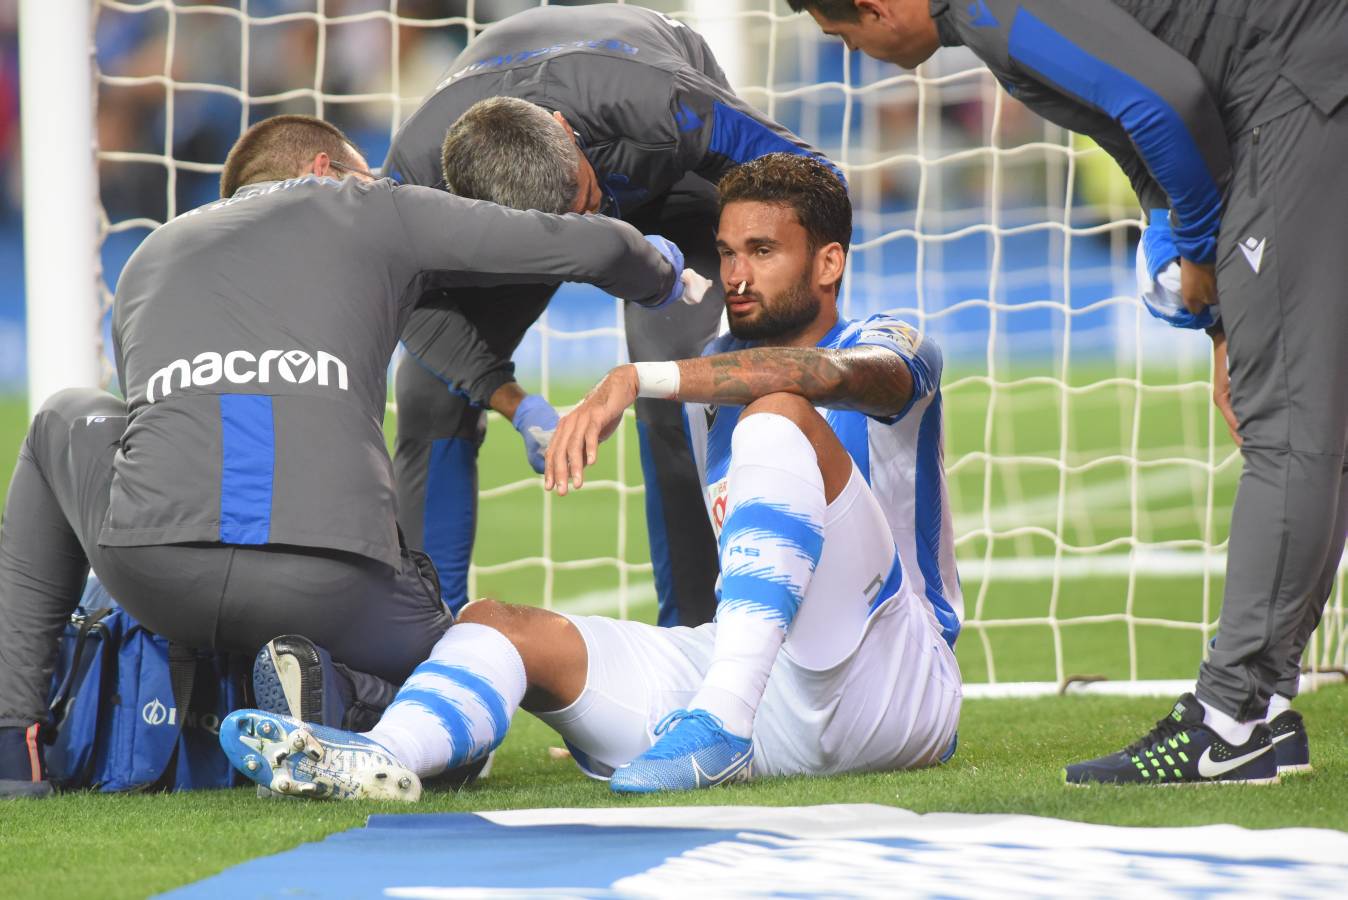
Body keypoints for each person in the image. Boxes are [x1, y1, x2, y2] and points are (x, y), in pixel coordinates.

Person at [216, 153, 961, 800]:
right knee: (494, 627)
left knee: (777, 411)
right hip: (764, 694)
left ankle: (719, 726)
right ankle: (383, 755)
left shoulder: (893, 346)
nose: (735, 275)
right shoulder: (707, 381)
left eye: (762, 251)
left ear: (828, 262)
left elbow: (822, 375)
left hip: (894, 686)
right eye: (727, 251)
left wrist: (636, 378)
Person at [0, 114, 684, 798]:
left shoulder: (152, 253)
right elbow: (584, 249)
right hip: (329, 582)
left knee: (60, 417)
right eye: (369, 171)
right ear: (326, 171)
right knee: (473, 664)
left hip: (156, 574)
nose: (379, 181)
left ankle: (13, 747)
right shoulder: (366, 206)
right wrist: (661, 274)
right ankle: (344, 700)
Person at [791, 0, 1345, 784]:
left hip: (1301, 81)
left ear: (877, 6)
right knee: (1317, 421)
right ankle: (1262, 706)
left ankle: (1228, 719)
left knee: (1292, 429)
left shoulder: (987, 10)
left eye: (841, 30)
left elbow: (1169, 104)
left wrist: (1197, 247)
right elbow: (1143, 128)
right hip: (1300, 79)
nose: (854, 50)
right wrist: (1224, 321)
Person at [384, 2, 841, 624]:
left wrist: (795, 319)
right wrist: (513, 402)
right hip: (532, 206)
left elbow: (812, 179)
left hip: (671, 184)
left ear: (565, 131)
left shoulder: (663, 105)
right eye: (562, 230)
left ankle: (702, 634)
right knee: (426, 390)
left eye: (585, 200)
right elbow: (405, 301)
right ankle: (424, 637)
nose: (588, 227)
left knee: (678, 380)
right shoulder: (414, 182)